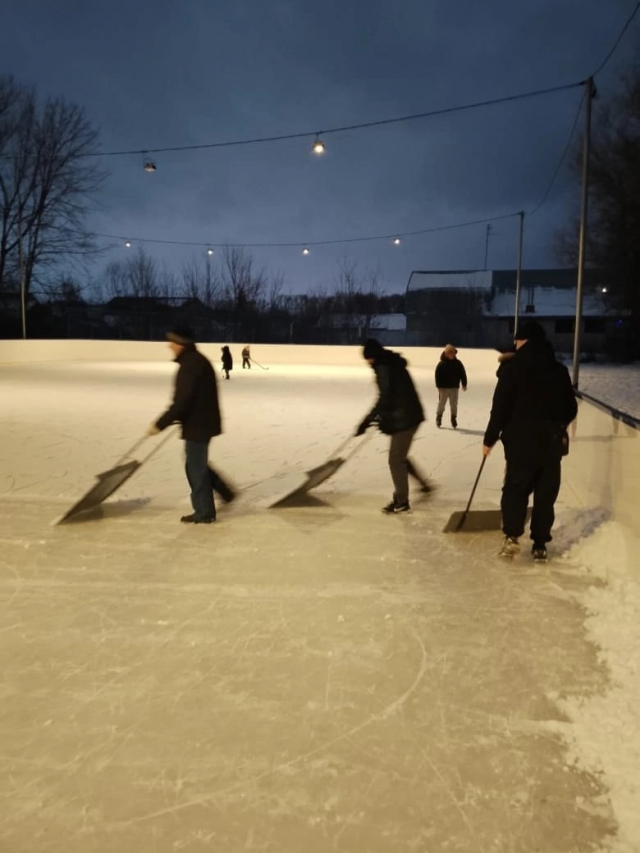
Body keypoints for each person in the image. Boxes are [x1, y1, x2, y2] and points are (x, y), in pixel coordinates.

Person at [482, 320, 577, 562]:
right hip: (550, 444)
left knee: (515, 490)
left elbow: (500, 407)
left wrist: (490, 438)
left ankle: (512, 538)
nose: (515, 342)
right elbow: (570, 408)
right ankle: (540, 544)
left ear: (526, 341)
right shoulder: (559, 371)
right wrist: (557, 425)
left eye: (518, 339)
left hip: (520, 444)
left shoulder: (512, 369)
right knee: (545, 494)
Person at [148, 326, 235, 524]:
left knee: (195, 467)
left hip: (199, 424)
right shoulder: (195, 360)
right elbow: (192, 398)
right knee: (196, 463)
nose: (169, 345)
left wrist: (160, 424)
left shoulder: (190, 365)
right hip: (202, 421)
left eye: (172, 341)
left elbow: (182, 401)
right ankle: (225, 492)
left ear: (181, 343)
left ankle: (204, 512)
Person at [355, 338, 429, 514]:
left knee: (395, 459)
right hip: (408, 415)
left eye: (368, 358)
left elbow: (385, 397)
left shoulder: (384, 367)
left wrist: (367, 421)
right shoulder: (390, 363)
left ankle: (401, 500)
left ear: (373, 356)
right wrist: (380, 418)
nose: (368, 362)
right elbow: (392, 396)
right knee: (400, 456)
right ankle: (424, 485)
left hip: (406, 418)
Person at [435, 344, 467, 428]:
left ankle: (453, 418)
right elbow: (437, 376)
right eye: (450, 353)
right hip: (444, 388)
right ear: (446, 354)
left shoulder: (458, 363)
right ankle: (439, 417)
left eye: (453, 353)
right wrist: (439, 387)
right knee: (442, 404)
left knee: (454, 404)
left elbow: (462, 374)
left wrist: (464, 384)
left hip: (454, 388)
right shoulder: (441, 364)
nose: (452, 355)